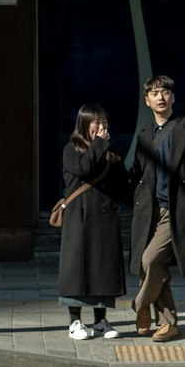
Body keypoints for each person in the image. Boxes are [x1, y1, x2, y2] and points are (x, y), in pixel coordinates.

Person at [129, 73, 185, 344]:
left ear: (173, 97)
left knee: (150, 260)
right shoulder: (144, 133)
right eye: (155, 93)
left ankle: (140, 305)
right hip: (148, 211)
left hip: (175, 210)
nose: (161, 97)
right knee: (154, 268)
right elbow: (137, 172)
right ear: (147, 100)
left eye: (165, 92)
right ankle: (169, 324)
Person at [57, 103, 131, 341]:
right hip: (79, 219)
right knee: (77, 270)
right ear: (84, 124)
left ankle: (100, 320)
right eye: (96, 122)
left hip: (106, 219)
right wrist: (99, 144)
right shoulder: (72, 149)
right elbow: (84, 168)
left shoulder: (111, 150)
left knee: (103, 270)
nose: (101, 127)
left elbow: (123, 184)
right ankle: (74, 321)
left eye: (104, 122)